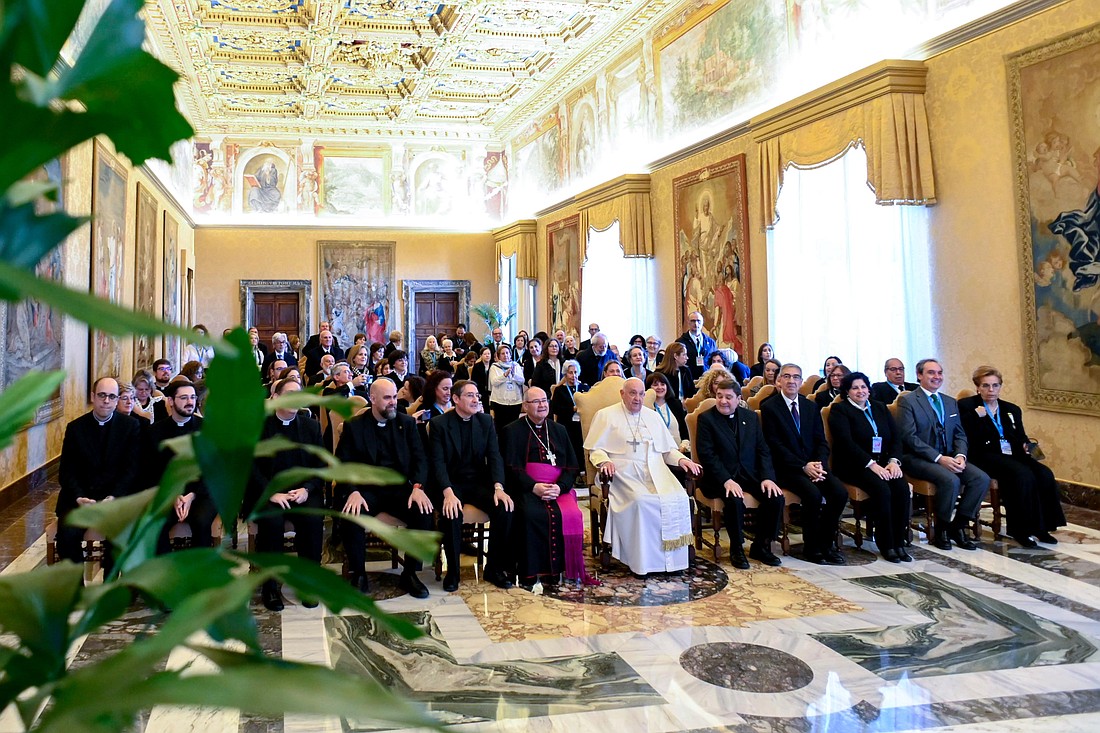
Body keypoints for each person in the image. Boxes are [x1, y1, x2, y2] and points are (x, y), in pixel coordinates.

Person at [584, 377, 700, 575]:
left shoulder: (652, 417)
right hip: (622, 473)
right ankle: (643, 561)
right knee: (641, 501)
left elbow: (667, 451)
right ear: (622, 394)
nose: (637, 398)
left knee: (678, 497)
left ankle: (672, 561)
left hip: (656, 471)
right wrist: (605, 462)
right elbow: (595, 450)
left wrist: (682, 460)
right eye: (632, 393)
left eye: (640, 394)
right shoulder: (605, 415)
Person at [337, 379, 434, 598]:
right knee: (351, 514)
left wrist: (418, 487)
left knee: (423, 511)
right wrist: (352, 490)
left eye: (394, 397)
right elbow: (343, 463)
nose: (393, 403)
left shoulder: (406, 424)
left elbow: (421, 460)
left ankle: (410, 573)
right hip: (365, 490)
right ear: (372, 399)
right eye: (387, 398)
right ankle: (359, 573)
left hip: (398, 490)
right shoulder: (354, 426)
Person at [502, 388, 598, 589]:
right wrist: (534, 487)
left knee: (573, 514)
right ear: (525, 405)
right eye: (536, 402)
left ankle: (562, 570)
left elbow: (572, 466)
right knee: (530, 514)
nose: (542, 405)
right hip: (527, 487)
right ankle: (531, 572)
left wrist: (560, 487)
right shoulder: (512, 430)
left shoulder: (559, 430)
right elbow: (512, 467)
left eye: (544, 400)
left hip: (557, 488)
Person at [959, 366, 1064, 548]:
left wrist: (1025, 446)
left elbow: (1020, 435)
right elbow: (964, 435)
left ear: (1000, 387)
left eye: (995, 385)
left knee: (1044, 474)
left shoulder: (1011, 409)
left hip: (1012, 454)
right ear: (977, 387)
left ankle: (1042, 527)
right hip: (983, 455)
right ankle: (1021, 530)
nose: (991, 390)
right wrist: (977, 417)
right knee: (1022, 475)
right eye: (986, 386)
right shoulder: (967, 406)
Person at [247, 379, 326, 610]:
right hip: (268, 493)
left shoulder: (310, 426)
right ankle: (270, 586)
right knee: (272, 522)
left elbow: (321, 465)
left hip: (302, 491)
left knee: (312, 517)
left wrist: (307, 489)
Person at [428, 380, 514, 591]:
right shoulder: (440, 424)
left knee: (504, 507)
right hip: (448, 483)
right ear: (455, 399)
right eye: (469, 395)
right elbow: (437, 463)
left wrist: (498, 488)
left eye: (477, 395)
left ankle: (494, 568)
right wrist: (447, 492)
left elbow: (494, 457)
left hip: (476, 482)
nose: (476, 399)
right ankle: (453, 573)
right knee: (452, 512)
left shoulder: (485, 421)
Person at [897, 359, 991, 551]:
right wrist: (939, 459)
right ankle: (941, 531)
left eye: (939, 373)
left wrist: (960, 456)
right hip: (918, 458)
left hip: (950, 456)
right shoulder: (908, 401)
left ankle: (958, 526)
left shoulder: (949, 402)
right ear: (919, 375)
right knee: (951, 481)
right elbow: (909, 437)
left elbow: (959, 433)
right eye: (931, 373)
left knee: (981, 478)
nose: (936, 377)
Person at [761, 364, 848, 564]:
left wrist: (819, 465)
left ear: (801, 382)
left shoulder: (810, 406)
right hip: (787, 468)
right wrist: (803, 466)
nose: (792, 381)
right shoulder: (769, 407)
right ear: (779, 381)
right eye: (787, 376)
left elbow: (821, 441)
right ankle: (812, 547)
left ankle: (826, 543)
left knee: (839, 493)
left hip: (815, 466)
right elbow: (775, 445)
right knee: (813, 494)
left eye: (796, 377)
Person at [695, 378, 785, 568]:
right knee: (734, 500)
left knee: (775, 497)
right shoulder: (706, 419)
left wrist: (767, 477)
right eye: (719, 396)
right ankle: (737, 548)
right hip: (718, 477)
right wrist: (726, 480)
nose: (723, 401)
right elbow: (707, 455)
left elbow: (763, 450)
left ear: (738, 399)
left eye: (728, 397)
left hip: (748, 475)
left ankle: (761, 545)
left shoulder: (750, 418)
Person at [56, 377, 142, 572]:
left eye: (112, 397)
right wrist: (79, 497)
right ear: (93, 397)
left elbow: (131, 470)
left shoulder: (130, 427)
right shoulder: (75, 428)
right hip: (79, 499)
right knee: (67, 535)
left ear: (117, 399)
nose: (106, 401)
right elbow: (66, 472)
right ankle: (77, 591)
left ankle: (108, 589)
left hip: (116, 498)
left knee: (120, 534)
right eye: (102, 395)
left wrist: (113, 496)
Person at [827, 371, 912, 563]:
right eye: (855, 388)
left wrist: (893, 461)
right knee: (882, 490)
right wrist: (871, 464)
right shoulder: (840, 410)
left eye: (863, 387)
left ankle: (899, 542)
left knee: (901, 489)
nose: (860, 391)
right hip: (853, 465)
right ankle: (887, 544)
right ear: (847, 391)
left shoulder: (880, 408)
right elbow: (846, 443)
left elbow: (896, 439)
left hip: (884, 463)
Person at [144, 379, 217, 554]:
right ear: (170, 401)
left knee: (201, 521)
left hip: (201, 493)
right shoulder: (154, 432)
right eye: (184, 398)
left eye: (192, 397)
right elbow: (150, 471)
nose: (190, 402)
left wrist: (191, 495)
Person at [551, 359, 588, 471]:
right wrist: (572, 409)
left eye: (575, 372)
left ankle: (582, 471)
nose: (573, 375)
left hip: (581, 424)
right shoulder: (559, 390)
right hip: (566, 424)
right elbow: (555, 409)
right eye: (570, 372)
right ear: (565, 374)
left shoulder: (584, 388)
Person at [645, 372, 688, 452]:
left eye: (662, 384)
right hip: (656, 452)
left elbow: (684, 430)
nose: (659, 387)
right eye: (655, 385)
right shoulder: (647, 407)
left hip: (679, 450)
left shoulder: (676, 404)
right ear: (648, 388)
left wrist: (683, 446)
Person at [488, 344, 525, 431]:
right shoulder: (494, 367)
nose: (505, 355)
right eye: (503, 353)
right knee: (501, 427)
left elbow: (522, 381)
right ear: (498, 356)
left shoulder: (516, 366)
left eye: (507, 353)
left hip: (515, 401)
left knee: (514, 426)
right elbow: (494, 382)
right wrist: (505, 375)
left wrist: (513, 375)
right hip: (499, 401)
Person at [676, 311, 717, 381]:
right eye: (693, 321)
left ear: (702, 323)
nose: (696, 324)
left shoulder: (710, 342)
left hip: (707, 379)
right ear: (688, 322)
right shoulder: (680, 342)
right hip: (688, 379)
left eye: (698, 321)